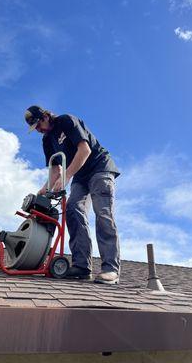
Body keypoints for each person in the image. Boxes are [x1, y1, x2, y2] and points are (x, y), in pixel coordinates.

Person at [24, 105, 121, 284]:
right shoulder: (47, 140)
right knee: (72, 210)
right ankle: (82, 267)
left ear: (46, 116)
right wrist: (40, 194)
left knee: (103, 213)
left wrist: (67, 175)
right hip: (80, 176)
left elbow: (85, 150)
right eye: (34, 128)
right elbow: (54, 171)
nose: (38, 129)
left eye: (38, 124)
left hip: (99, 169)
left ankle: (110, 269)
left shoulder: (66, 121)